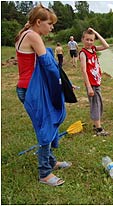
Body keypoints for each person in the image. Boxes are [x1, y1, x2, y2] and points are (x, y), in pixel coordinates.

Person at [15, 4, 71, 186]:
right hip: (33, 90)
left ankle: (51, 161)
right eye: (50, 23)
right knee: (46, 127)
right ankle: (44, 173)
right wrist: (63, 84)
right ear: (38, 22)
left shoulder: (23, 34)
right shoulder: (33, 36)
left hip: (27, 88)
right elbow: (48, 65)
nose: (52, 27)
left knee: (44, 125)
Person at [79, 28, 110, 136]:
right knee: (95, 105)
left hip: (97, 82)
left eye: (91, 40)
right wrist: (88, 87)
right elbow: (83, 70)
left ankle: (96, 124)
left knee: (99, 104)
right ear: (82, 39)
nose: (89, 42)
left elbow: (106, 46)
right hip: (91, 84)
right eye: (87, 39)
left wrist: (96, 33)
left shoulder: (93, 49)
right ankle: (99, 129)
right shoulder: (83, 53)